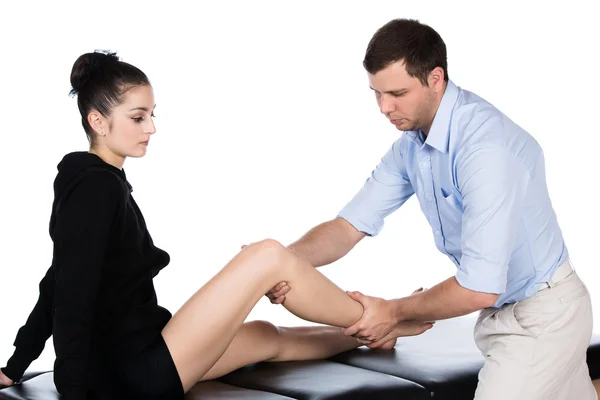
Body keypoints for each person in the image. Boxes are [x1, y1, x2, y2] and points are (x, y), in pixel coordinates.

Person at [0, 50, 433, 400]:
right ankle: (385, 315)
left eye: (152, 114)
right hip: (133, 372)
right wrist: (71, 392)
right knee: (265, 256)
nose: (151, 127)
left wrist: (16, 363)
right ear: (97, 121)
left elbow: (57, 276)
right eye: (138, 117)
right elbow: (69, 294)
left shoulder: (99, 181)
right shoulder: (95, 187)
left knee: (268, 337)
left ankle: (375, 330)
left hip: (146, 348)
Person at [264, 18, 597, 399]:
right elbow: (347, 226)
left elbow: (479, 287)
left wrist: (393, 311)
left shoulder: (484, 149)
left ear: (435, 78)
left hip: (542, 317)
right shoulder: (413, 145)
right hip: (504, 315)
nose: (384, 108)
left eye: (398, 93)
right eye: (376, 93)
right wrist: (283, 261)